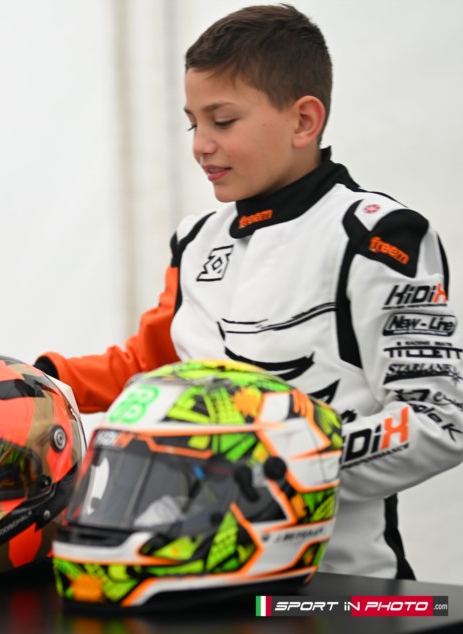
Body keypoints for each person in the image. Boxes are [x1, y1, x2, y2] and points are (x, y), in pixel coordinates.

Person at [35, 4, 463, 579]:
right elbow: (152, 366)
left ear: (304, 121)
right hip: (193, 578)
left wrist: (275, 462)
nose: (200, 145)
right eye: (193, 123)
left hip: (340, 587)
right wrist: (41, 382)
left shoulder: (377, 236)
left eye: (223, 121)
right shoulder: (195, 241)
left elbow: (442, 418)